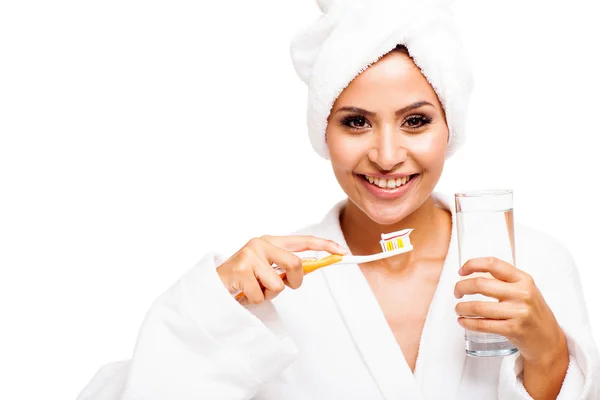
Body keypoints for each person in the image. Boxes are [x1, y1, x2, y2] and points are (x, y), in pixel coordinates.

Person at [77, 0, 600, 399]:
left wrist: (550, 349)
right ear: (323, 132)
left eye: (416, 121)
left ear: (451, 128)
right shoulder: (273, 291)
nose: (387, 154)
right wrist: (213, 311)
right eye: (356, 122)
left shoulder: (535, 263)